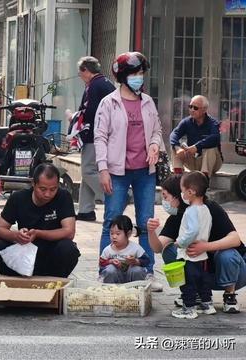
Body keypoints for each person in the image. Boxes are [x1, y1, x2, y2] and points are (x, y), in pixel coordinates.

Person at [94, 51, 163, 291]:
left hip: (145, 171)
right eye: (135, 73)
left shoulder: (147, 101)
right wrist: (103, 169)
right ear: (123, 76)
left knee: (146, 223)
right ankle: (105, 271)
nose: (139, 77)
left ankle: (147, 272)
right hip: (117, 172)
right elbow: (100, 137)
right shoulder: (109, 103)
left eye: (141, 73)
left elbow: (157, 130)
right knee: (110, 222)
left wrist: (154, 145)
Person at [147, 174, 246, 313]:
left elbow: (235, 239)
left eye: (165, 196)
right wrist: (151, 232)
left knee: (226, 254)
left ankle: (230, 295)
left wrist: (205, 247)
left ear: (182, 194)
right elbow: (158, 247)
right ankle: (196, 293)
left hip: (235, 274)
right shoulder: (177, 217)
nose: (165, 201)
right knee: (170, 250)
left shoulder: (209, 208)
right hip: (205, 274)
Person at [0, 163, 80, 278]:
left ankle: (55, 280)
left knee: (68, 248)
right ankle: (14, 280)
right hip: (25, 252)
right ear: (33, 184)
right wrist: (16, 236)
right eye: (42, 189)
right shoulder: (18, 198)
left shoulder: (63, 197)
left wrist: (38, 233)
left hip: (52, 253)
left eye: (53, 189)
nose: (48, 194)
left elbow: (69, 232)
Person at [74, 56, 115, 222]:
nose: (79, 75)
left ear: (86, 70)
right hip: (105, 132)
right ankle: (86, 209)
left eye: (80, 72)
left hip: (94, 134)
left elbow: (89, 111)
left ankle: (111, 198)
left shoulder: (94, 85)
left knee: (88, 170)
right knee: (88, 170)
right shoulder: (105, 82)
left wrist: (74, 118)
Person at [170, 171, 214, 319]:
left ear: (191, 192)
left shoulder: (191, 211)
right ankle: (207, 304)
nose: (182, 194)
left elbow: (193, 230)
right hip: (202, 255)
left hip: (189, 255)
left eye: (183, 191)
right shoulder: (206, 209)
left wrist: (180, 242)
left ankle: (188, 308)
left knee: (188, 283)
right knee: (203, 281)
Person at [170, 95, 222, 178]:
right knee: (174, 146)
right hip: (193, 160)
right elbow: (174, 134)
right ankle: (178, 177)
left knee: (211, 148)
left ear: (204, 109)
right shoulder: (186, 122)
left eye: (195, 108)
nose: (192, 110)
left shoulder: (213, 123)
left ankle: (203, 180)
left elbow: (215, 138)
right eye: (190, 107)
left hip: (212, 163)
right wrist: (177, 148)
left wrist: (197, 147)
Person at [99, 215, 150, 283]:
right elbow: (101, 264)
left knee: (137, 270)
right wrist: (110, 261)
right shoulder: (108, 250)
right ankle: (109, 289)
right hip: (115, 279)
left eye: (118, 234)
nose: (114, 237)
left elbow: (146, 261)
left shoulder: (135, 248)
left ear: (128, 233)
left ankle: (138, 288)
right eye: (112, 233)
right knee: (110, 270)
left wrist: (135, 261)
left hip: (132, 278)